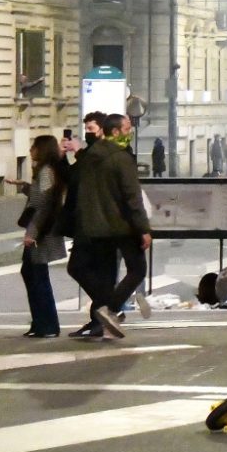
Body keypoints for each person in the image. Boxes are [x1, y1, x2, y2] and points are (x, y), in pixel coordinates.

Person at [76, 113, 153, 338]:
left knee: (106, 274)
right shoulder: (121, 158)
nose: (130, 132)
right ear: (116, 131)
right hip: (122, 224)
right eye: (127, 129)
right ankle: (109, 309)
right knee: (138, 269)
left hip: (96, 225)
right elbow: (132, 197)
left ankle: (106, 311)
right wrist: (143, 228)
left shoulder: (91, 156)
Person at [6, 135, 66, 338]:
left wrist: (32, 233)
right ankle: (41, 322)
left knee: (37, 277)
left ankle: (47, 324)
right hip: (40, 231)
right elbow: (40, 196)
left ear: (42, 149)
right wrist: (23, 185)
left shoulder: (46, 171)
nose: (31, 150)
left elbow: (43, 204)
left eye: (34, 147)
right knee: (32, 273)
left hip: (42, 233)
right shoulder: (45, 171)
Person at [62, 111, 111, 338]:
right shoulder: (89, 152)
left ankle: (107, 307)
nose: (87, 133)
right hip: (84, 220)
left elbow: (93, 170)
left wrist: (79, 151)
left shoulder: (102, 151)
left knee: (78, 267)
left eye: (91, 129)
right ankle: (99, 318)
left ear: (102, 129)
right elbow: (72, 177)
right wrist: (64, 156)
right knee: (89, 270)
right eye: (86, 129)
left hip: (96, 222)